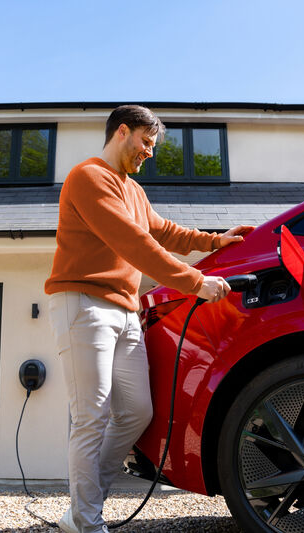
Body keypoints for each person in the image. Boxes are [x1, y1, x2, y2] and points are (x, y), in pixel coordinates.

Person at [44, 105, 253, 533]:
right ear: (122, 132)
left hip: (125, 310)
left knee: (136, 413)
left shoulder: (133, 191)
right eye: (145, 142)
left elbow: (164, 231)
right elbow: (134, 242)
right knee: (91, 415)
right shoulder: (89, 178)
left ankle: (81, 510)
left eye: (152, 146)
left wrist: (219, 240)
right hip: (83, 305)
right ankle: (86, 522)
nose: (149, 153)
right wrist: (195, 282)